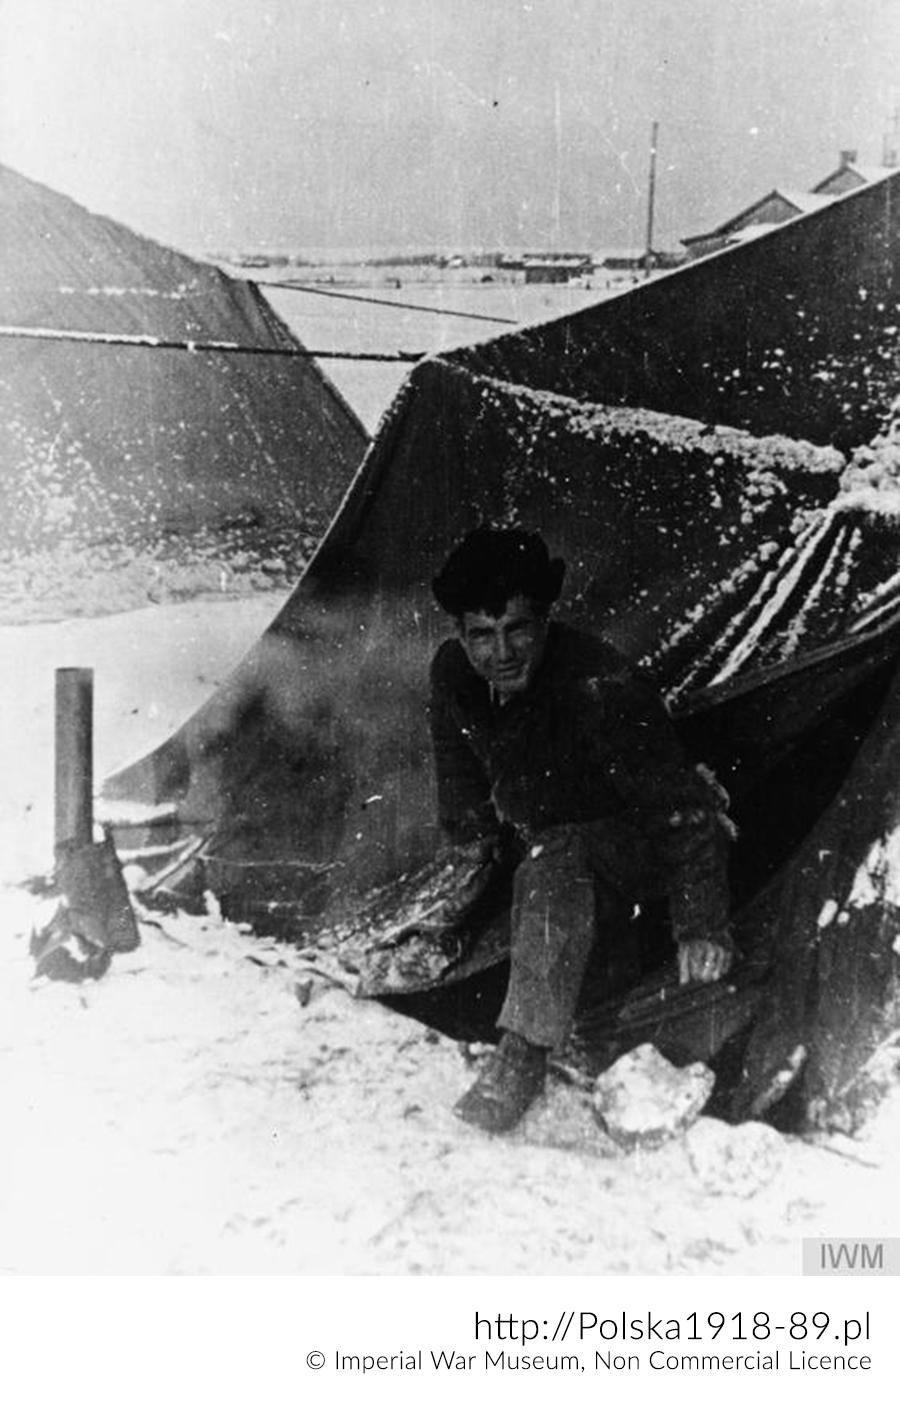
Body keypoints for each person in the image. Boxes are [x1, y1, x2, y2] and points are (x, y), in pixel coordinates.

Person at [429, 526, 734, 1133]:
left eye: (517, 628)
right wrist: (470, 856)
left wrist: (701, 924)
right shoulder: (455, 675)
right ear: (460, 634)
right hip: (560, 864)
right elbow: (461, 774)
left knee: (558, 850)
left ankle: (521, 1057)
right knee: (551, 861)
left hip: (642, 848)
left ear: (545, 621)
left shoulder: (601, 686)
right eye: (481, 635)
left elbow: (683, 812)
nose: (501, 652)